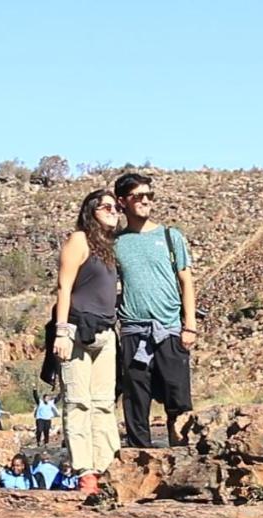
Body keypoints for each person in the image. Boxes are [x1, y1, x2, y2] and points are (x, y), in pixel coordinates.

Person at [113, 173, 197, 449]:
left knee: (179, 399)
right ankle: (139, 461)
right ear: (123, 201)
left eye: (150, 195)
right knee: (136, 400)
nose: (146, 201)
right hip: (133, 330)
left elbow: (186, 281)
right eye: (138, 196)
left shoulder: (171, 237)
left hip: (170, 329)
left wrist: (190, 326)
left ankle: (183, 456)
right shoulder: (115, 242)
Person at [53, 189, 122, 478]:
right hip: (77, 330)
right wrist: (61, 332)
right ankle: (84, 470)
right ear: (91, 210)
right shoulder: (78, 240)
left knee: (104, 402)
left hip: (106, 332)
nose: (112, 211)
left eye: (115, 207)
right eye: (105, 206)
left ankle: (107, 466)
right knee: (78, 400)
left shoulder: (109, 247)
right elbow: (63, 288)